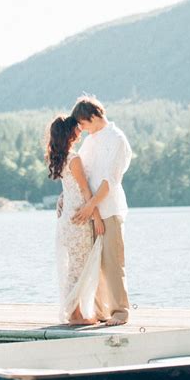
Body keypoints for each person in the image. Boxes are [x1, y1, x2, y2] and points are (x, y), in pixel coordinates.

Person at [71, 96, 132, 326]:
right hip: (91, 211)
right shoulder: (91, 141)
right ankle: (101, 311)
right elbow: (81, 174)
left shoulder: (117, 139)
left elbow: (110, 180)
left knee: (113, 262)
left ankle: (120, 312)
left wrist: (91, 205)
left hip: (109, 209)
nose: (82, 129)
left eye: (83, 124)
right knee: (95, 264)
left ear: (94, 116)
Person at [46, 114, 105, 325]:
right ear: (70, 133)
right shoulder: (74, 159)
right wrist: (96, 217)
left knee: (75, 266)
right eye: (77, 128)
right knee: (78, 267)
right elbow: (84, 190)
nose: (80, 131)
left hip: (68, 217)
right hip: (78, 217)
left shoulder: (61, 158)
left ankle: (76, 312)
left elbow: (69, 189)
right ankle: (74, 315)